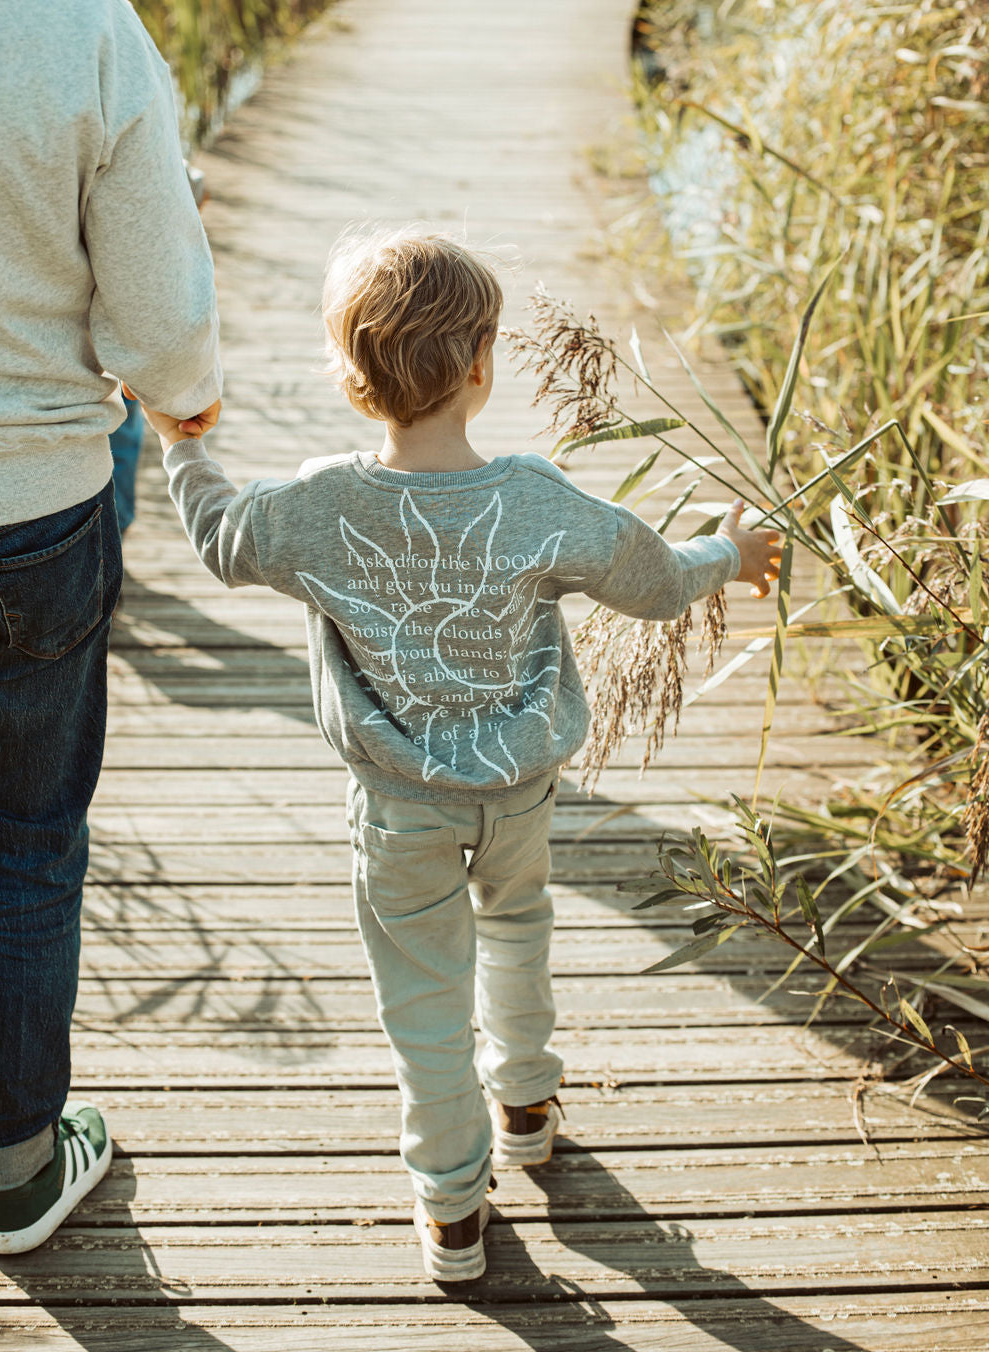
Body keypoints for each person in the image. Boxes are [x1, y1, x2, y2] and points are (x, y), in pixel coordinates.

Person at [139, 227, 782, 1284]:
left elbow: (219, 538)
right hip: (518, 790)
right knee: (519, 929)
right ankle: (525, 1103)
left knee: (422, 1000)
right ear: (482, 366)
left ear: (351, 379)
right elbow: (658, 581)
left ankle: (450, 1207)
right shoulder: (535, 498)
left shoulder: (318, 506)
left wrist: (179, 445)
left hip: (396, 808)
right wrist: (731, 553)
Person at [0, 0, 222, 1256]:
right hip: (22, 509)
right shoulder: (75, 17)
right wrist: (182, 394)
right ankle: (14, 1167)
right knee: (21, 850)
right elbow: (159, 306)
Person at [0, 0, 206, 539]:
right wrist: (184, 388)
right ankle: (115, 534)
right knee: (121, 435)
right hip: (45, 457)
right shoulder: (88, 11)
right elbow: (141, 251)